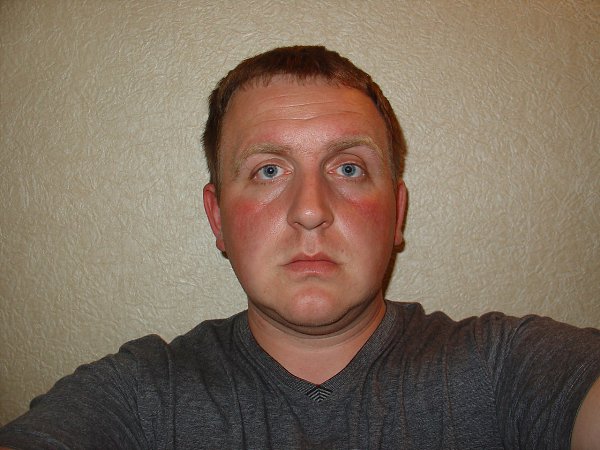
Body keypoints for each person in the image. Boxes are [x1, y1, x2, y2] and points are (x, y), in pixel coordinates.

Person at [0, 45, 598, 449]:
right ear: (217, 218)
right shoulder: (140, 396)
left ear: (397, 213)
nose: (310, 210)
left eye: (348, 168)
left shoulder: (508, 368)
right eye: (268, 170)